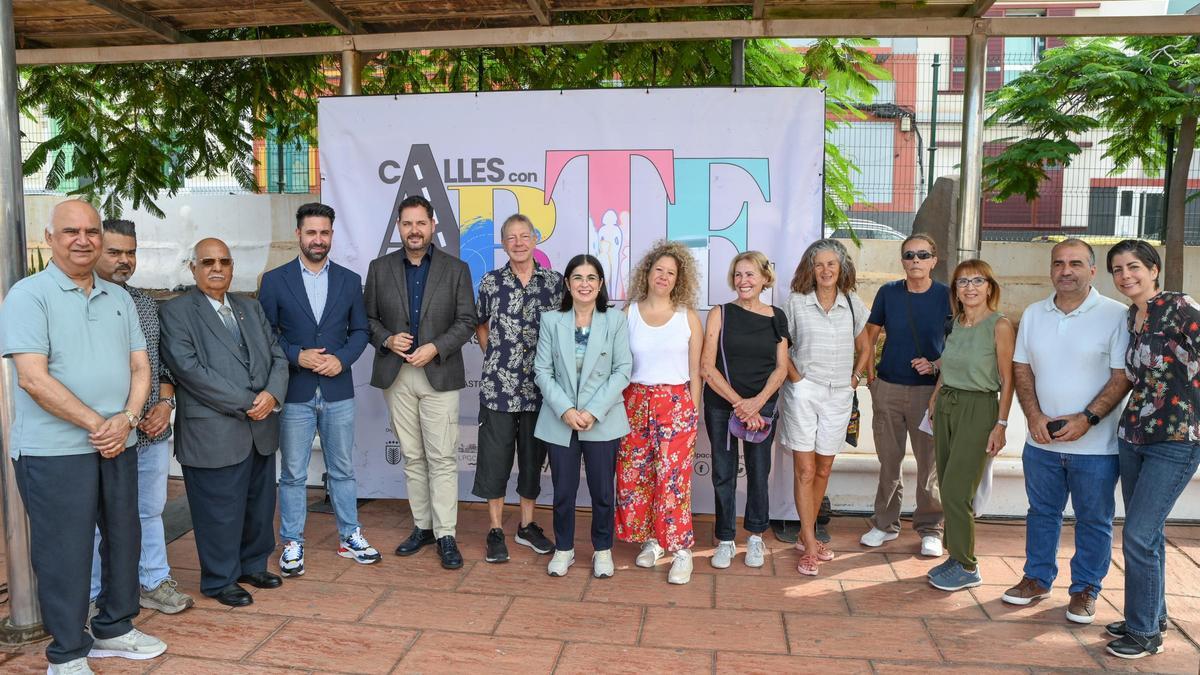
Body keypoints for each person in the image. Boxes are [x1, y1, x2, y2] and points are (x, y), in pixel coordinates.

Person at [0, 200, 166, 674]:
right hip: (54, 452)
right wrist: (101, 425)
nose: (83, 239)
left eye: (92, 231)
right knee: (65, 551)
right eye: (71, 230)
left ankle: (114, 628)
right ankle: (68, 653)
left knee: (123, 538)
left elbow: (141, 365)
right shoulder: (28, 296)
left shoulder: (119, 298)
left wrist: (128, 420)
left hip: (119, 443)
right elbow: (33, 378)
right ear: (49, 238)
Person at [1001, 239, 1129, 625]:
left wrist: (1086, 419)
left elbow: (1122, 377)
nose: (1066, 270)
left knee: (1094, 519)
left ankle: (1086, 588)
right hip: (1040, 442)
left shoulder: (1116, 315)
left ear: (1093, 270)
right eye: (1059, 263)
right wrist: (1034, 416)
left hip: (1097, 447)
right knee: (1042, 513)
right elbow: (1022, 368)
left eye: (1075, 263)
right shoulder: (1035, 313)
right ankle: (1037, 578)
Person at [160, 238, 290, 608]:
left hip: (261, 426)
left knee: (258, 505)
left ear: (232, 267)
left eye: (224, 261)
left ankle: (251, 565)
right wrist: (249, 401)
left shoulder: (250, 307)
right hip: (214, 430)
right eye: (208, 262)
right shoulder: (177, 312)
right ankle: (219, 580)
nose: (217, 268)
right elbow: (190, 371)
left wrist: (272, 395)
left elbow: (278, 356)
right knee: (218, 510)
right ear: (193, 268)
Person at [258, 203, 378, 578]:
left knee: (342, 468)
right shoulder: (275, 281)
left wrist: (341, 360)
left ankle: (349, 535)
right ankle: (292, 541)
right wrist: (297, 355)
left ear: (331, 235)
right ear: (298, 234)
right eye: (311, 232)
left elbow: (360, 331)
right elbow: (266, 334)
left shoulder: (348, 279)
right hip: (294, 390)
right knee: (293, 472)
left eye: (324, 233)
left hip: (338, 389)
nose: (318, 239)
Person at [87, 219, 194, 616]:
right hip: (100, 433)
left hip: (148, 432)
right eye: (114, 252)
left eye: (130, 252)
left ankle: (153, 581)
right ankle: (96, 593)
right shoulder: (75, 302)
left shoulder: (145, 304)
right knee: (96, 517)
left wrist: (165, 405)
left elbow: (162, 367)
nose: (124, 260)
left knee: (149, 510)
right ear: (95, 249)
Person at [365, 194, 478, 570]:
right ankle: (422, 527)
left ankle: (446, 534)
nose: (414, 230)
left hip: (438, 372)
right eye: (407, 223)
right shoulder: (379, 268)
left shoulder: (455, 268)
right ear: (399, 227)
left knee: (442, 457)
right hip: (396, 375)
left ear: (432, 226)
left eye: (421, 223)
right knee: (413, 456)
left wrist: (434, 348)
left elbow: (466, 321)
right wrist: (386, 339)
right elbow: (366, 320)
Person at [1104, 240, 1200, 660]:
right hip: (1134, 435)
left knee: (1139, 535)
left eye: (1134, 267)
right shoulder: (1132, 315)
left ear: (1154, 269)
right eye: (1118, 269)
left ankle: (1145, 635)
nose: (1126, 275)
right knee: (1149, 534)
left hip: (1177, 438)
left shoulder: (1179, 306)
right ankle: (1150, 615)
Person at [533, 254, 632, 578]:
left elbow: (622, 370)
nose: (585, 284)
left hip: (601, 418)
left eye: (591, 278)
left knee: (603, 491)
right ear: (567, 283)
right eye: (578, 277)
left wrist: (591, 410)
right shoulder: (551, 320)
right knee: (563, 490)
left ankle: (602, 550)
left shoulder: (615, 321)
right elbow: (542, 371)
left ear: (601, 284)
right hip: (560, 419)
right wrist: (566, 409)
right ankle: (564, 549)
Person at [473, 214, 562, 563]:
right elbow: (479, 322)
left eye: (525, 235)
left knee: (531, 461)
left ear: (535, 239)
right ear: (504, 243)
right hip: (498, 389)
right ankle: (495, 529)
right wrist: (493, 354)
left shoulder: (554, 283)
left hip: (540, 390)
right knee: (494, 462)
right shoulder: (491, 282)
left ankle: (527, 525)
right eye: (512, 237)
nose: (519, 242)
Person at [779, 239, 870, 576]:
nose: (826, 270)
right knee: (804, 469)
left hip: (839, 395)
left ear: (841, 268)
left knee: (823, 469)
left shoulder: (852, 302)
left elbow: (866, 346)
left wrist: (854, 379)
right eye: (820, 264)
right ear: (810, 268)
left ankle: (806, 537)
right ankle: (809, 542)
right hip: (804, 392)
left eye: (832, 264)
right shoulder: (796, 302)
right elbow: (782, 347)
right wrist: (797, 380)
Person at [616, 241, 704, 585]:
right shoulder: (629, 314)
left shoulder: (688, 318)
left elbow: (696, 371)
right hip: (634, 402)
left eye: (671, 272)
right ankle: (655, 540)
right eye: (658, 270)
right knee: (638, 478)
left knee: (673, 481)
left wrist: (692, 410)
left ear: (678, 279)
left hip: (676, 405)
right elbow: (618, 365)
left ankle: (682, 550)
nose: (663, 277)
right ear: (647, 274)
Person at [926, 259, 1015, 592]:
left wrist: (1001, 424)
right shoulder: (957, 323)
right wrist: (935, 397)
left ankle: (967, 565)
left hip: (978, 408)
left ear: (989, 287)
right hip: (948, 404)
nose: (970, 287)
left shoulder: (999, 325)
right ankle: (954, 555)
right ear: (956, 291)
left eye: (977, 281)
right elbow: (948, 366)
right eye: (963, 282)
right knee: (946, 482)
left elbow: (1008, 380)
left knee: (957, 489)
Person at [700, 251, 790, 570]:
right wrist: (740, 404)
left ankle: (754, 536)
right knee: (723, 473)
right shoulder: (720, 313)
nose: (743, 281)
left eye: (750, 274)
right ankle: (725, 538)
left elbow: (781, 369)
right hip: (722, 406)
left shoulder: (777, 317)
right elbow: (707, 368)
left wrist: (756, 403)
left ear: (765, 278)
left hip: (762, 407)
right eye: (738, 275)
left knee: (758, 472)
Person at [861, 234, 949, 557]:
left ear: (933, 261)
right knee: (889, 461)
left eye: (922, 255)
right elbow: (868, 336)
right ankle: (884, 524)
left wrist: (936, 365)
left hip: (929, 393)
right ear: (902, 260)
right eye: (909, 255)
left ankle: (930, 528)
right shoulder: (888, 293)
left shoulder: (946, 296)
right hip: (888, 389)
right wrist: (871, 378)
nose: (915, 260)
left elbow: (959, 343)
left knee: (929, 466)